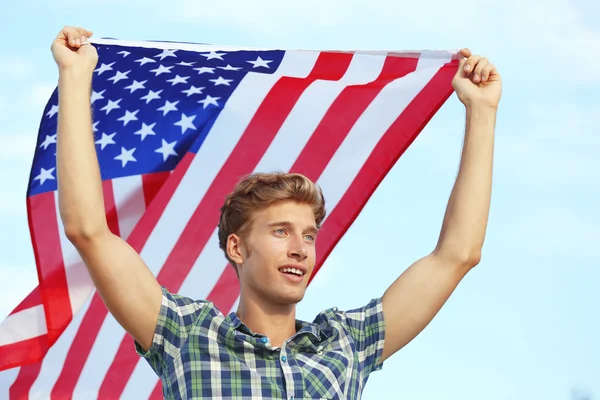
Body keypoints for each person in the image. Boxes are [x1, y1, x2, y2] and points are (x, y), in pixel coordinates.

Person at [52, 25, 501, 400]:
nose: (300, 248)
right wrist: (74, 78)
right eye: (281, 231)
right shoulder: (187, 337)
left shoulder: (345, 344)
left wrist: (481, 112)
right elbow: (88, 230)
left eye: (308, 235)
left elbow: (457, 254)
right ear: (237, 247)